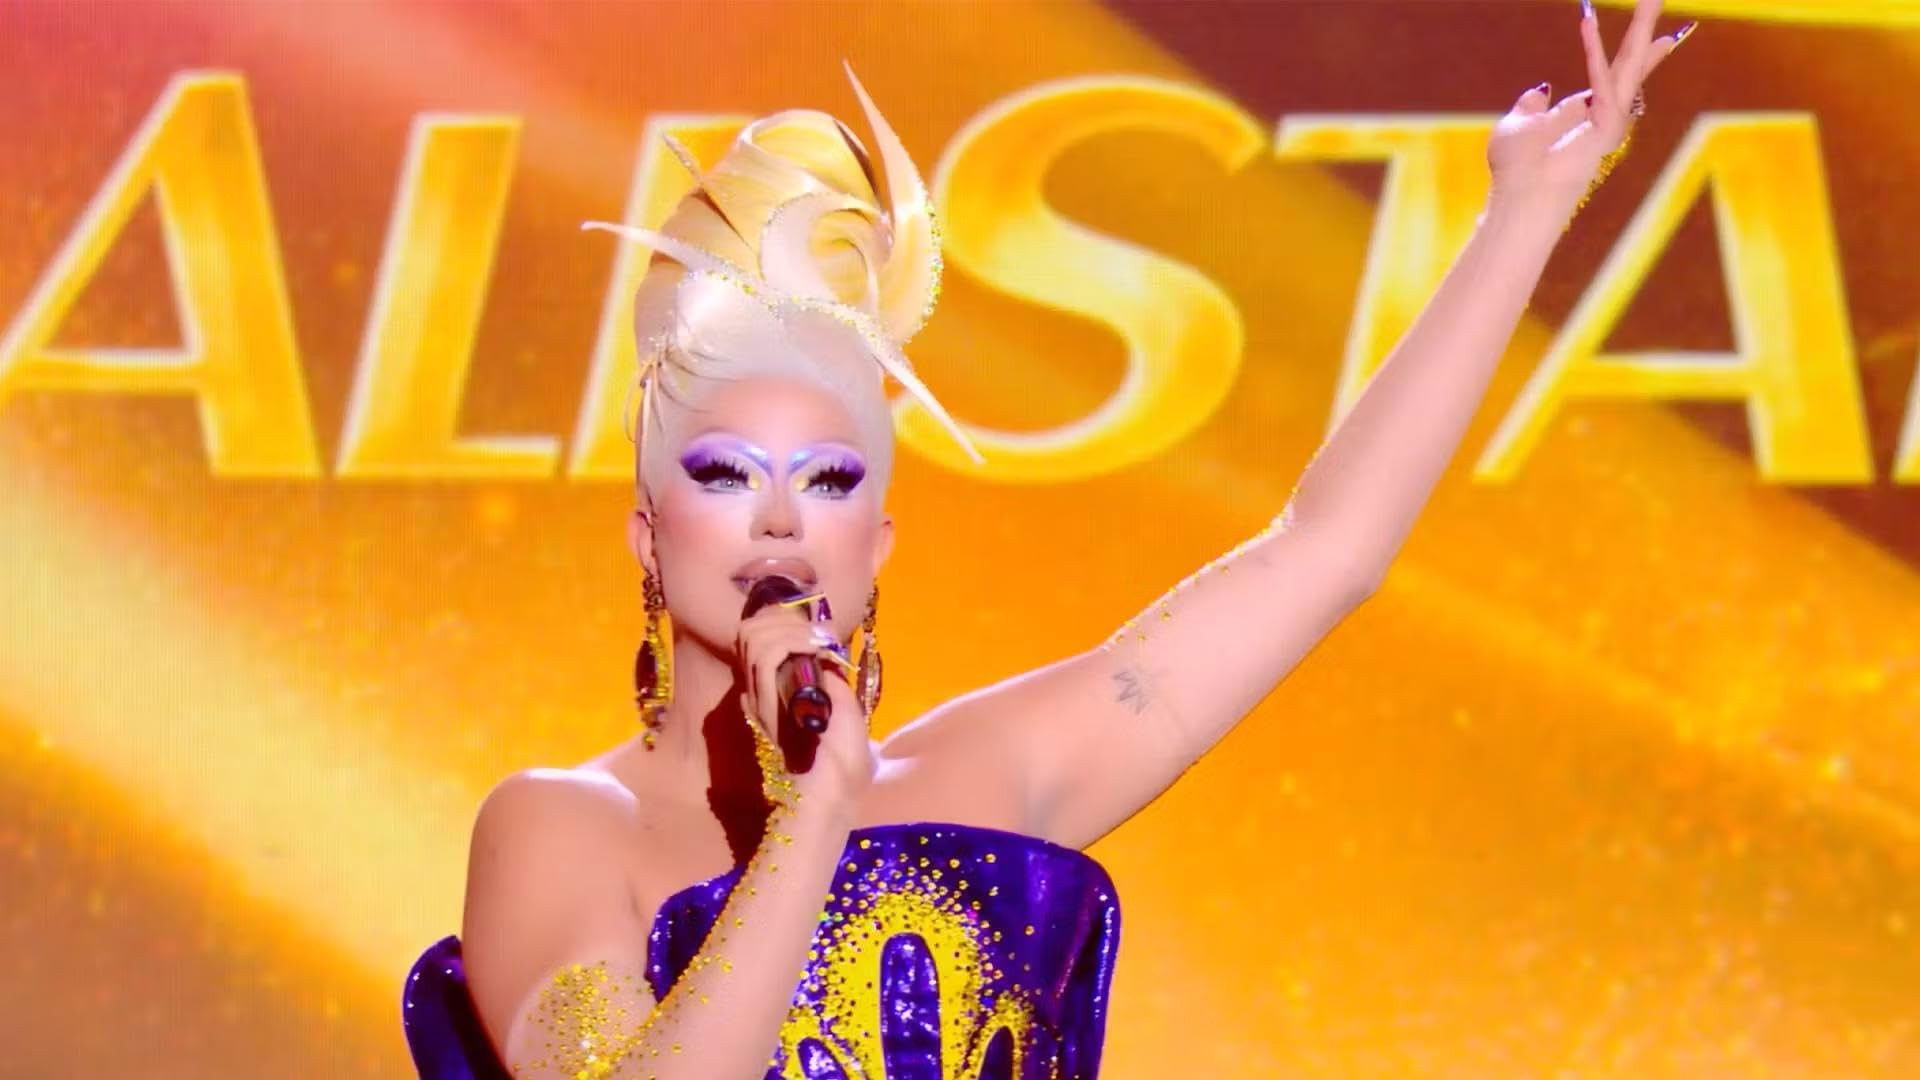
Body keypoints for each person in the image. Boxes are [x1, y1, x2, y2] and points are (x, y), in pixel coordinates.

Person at [425, 4, 1692, 1076]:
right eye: (725, 473)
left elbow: (1323, 552)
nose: (779, 517)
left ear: (877, 540)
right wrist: (813, 821)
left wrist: (1526, 210)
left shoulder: (984, 776)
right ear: (648, 535)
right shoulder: (558, 828)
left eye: (828, 478)